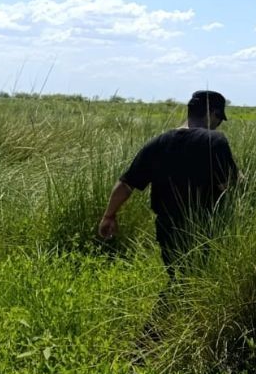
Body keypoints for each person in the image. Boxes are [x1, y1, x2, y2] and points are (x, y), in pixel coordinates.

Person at [98, 90, 239, 278]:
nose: (217, 124)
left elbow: (126, 185)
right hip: (205, 229)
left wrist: (109, 216)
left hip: (167, 230)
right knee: (202, 280)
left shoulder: (159, 142)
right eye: (219, 118)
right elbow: (228, 186)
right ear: (213, 113)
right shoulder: (215, 141)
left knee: (178, 279)